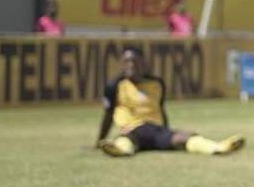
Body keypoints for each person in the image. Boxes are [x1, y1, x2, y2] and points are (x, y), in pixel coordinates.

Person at [97, 48, 245, 158]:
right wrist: (100, 140)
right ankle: (120, 150)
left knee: (183, 137)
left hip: (155, 129)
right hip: (132, 129)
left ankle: (218, 147)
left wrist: (166, 131)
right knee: (126, 140)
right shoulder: (114, 85)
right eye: (126, 62)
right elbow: (108, 115)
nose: (130, 66)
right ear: (122, 65)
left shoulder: (156, 83)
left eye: (134, 62)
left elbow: (160, 109)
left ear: (143, 63)